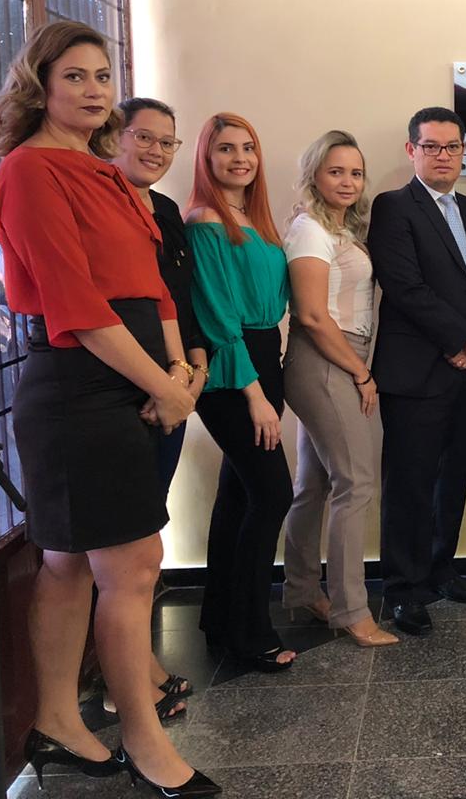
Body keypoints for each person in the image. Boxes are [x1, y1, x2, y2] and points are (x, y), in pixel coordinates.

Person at [0, 22, 215, 795]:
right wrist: (165, 386)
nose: (94, 90)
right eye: (76, 76)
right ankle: (146, 743)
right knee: (134, 565)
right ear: (40, 85)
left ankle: (56, 721)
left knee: (68, 566)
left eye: (103, 77)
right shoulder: (29, 169)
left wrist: (178, 369)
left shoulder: (105, 173)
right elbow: (76, 305)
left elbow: (155, 289)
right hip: (75, 392)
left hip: (133, 379)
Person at [368, 106, 466, 637]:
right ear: (412, 150)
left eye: (452, 147)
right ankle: (404, 587)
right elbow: (405, 287)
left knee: (452, 478)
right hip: (415, 371)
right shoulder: (393, 207)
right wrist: (462, 337)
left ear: (464, 152)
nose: (443, 155)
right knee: (410, 483)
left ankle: (442, 569)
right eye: (431, 146)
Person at [185, 113, 296, 672]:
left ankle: (220, 619)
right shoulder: (205, 221)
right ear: (206, 158)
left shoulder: (256, 220)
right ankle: (251, 633)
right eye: (225, 149)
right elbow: (216, 313)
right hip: (233, 369)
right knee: (272, 495)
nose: (239, 159)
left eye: (247, 147)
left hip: (263, 356)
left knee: (238, 494)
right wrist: (254, 392)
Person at [110, 96, 208, 718]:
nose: (155, 150)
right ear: (114, 138)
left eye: (166, 141)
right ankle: (123, 684)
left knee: (149, 535)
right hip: (121, 388)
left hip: (173, 382)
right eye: (143, 137)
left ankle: (140, 663)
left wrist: (190, 371)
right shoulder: (102, 202)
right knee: (123, 548)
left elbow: (178, 298)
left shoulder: (166, 210)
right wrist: (162, 383)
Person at [281, 130, 398, 646]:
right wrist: (361, 371)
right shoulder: (309, 230)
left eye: (355, 172)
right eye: (336, 172)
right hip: (326, 359)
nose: (348, 182)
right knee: (357, 482)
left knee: (314, 484)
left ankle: (303, 589)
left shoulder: (340, 228)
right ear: (315, 175)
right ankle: (351, 610)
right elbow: (311, 315)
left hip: (338, 356)